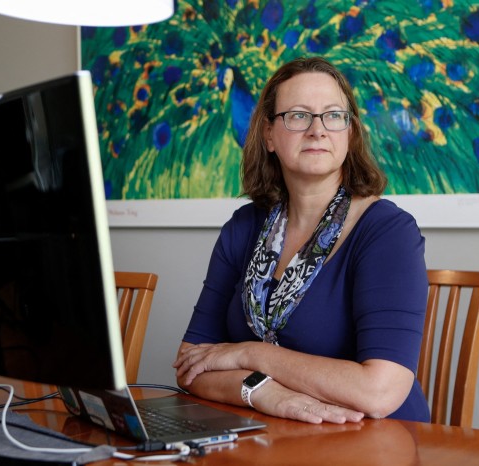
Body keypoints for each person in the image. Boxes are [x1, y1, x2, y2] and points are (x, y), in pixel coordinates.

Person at [173, 56, 430, 424]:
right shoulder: (244, 226)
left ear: (350, 133)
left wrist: (250, 355)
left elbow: (379, 392)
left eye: (333, 115)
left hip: (378, 443)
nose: (317, 130)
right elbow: (190, 364)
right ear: (268, 134)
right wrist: (262, 391)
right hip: (275, 436)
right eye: (297, 115)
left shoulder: (388, 232)